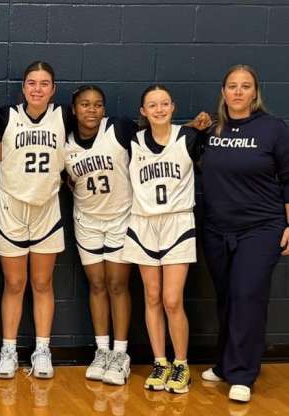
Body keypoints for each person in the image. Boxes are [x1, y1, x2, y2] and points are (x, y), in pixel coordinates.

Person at [200, 65, 289, 403]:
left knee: (247, 296)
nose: (238, 92)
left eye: (245, 86)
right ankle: (225, 364)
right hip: (217, 228)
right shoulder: (212, 130)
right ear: (223, 92)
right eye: (232, 86)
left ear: (255, 92)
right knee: (226, 298)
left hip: (261, 228)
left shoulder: (273, 129)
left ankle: (242, 374)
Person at [0, 61, 71, 380]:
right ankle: (8, 350)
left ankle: (42, 349)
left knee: (42, 283)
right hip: (12, 207)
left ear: (53, 89)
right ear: (23, 88)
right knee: (14, 283)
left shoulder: (64, 116)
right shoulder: (5, 116)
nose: (37, 89)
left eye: (44, 83)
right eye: (31, 83)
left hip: (46, 208)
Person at [122, 84, 202, 394]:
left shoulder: (189, 138)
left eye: (164, 103)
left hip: (178, 222)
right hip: (143, 224)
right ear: (143, 111)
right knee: (151, 296)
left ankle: (181, 363)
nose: (159, 109)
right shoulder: (133, 140)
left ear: (172, 107)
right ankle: (160, 361)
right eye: (152, 105)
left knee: (172, 299)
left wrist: (199, 124)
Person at [64, 85, 137, 386]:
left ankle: (121, 354)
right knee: (96, 285)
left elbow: (158, 136)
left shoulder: (118, 129)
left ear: (104, 109)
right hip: (87, 221)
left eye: (97, 105)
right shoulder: (64, 143)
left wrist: (188, 127)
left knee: (117, 284)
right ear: (74, 109)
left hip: (121, 219)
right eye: (84, 104)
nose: (91, 110)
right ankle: (102, 350)